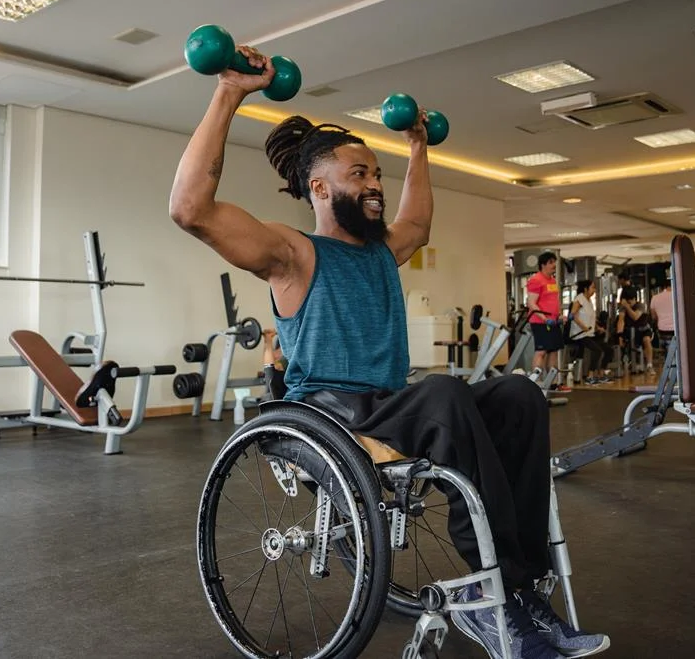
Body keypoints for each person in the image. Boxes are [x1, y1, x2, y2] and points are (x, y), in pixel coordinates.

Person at [169, 45, 608, 659]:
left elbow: (419, 224)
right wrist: (229, 94)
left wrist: (420, 147)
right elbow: (191, 209)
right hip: (330, 414)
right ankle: (494, 598)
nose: (375, 184)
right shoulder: (293, 253)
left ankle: (520, 586)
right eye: (361, 174)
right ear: (318, 188)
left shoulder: (379, 250)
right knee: (446, 394)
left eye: (377, 173)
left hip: (390, 404)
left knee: (518, 394)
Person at [526, 253, 567, 385]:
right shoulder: (536, 280)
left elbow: (554, 301)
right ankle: (536, 383)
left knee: (553, 351)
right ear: (543, 265)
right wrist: (544, 319)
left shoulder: (552, 281)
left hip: (553, 321)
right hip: (540, 322)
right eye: (550, 262)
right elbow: (531, 303)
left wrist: (559, 315)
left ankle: (552, 383)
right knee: (541, 352)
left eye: (554, 262)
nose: (554, 265)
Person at [568, 280, 611, 384]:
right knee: (597, 350)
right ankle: (590, 376)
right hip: (579, 335)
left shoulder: (589, 301)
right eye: (592, 288)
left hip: (589, 334)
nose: (594, 290)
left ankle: (601, 373)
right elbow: (572, 315)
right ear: (586, 289)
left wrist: (597, 327)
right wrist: (583, 327)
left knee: (608, 350)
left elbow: (591, 318)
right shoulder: (579, 299)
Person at [648, 281, 675, 353]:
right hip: (675, 331)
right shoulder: (677, 296)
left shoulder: (654, 298)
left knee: (665, 352)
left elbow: (653, 317)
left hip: (662, 331)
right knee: (674, 353)